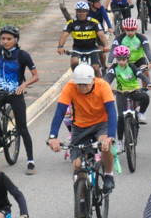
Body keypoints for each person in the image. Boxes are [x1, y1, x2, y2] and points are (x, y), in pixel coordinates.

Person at [47, 64, 118, 192]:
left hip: (101, 124)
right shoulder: (69, 87)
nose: (82, 87)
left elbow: (112, 112)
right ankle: (80, 196)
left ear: (93, 80)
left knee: (104, 144)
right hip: (80, 126)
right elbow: (60, 112)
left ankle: (108, 174)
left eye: (85, 84)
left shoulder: (103, 86)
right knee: (77, 165)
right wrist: (53, 136)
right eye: (79, 84)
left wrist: (110, 136)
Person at [0, 25, 39, 174]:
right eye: (3, 38)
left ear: (16, 40)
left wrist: (24, 84)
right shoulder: (0, 50)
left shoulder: (23, 55)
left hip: (15, 94)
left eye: (9, 39)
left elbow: (36, 76)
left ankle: (30, 161)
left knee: (22, 127)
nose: (5, 42)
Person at [105, 44, 151, 139]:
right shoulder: (114, 68)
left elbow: (141, 76)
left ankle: (141, 113)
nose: (121, 62)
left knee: (145, 97)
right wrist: (105, 87)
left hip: (134, 91)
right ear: (116, 59)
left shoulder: (132, 67)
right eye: (119, 60)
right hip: (121, 92)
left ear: (128, 59)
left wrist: (148, 83)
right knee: (121, 117)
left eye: (123, 60)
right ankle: (119, 140)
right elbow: (108, 79)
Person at [58, 0, 108, 76]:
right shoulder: (71, 23)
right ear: (76, 12)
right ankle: (77, 76)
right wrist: (60, 46)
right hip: (78, 48)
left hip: (92, 47)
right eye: (79, 11)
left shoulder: (94, 22)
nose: (81, 13)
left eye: (84, 11)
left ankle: (100, 86)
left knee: (96, 68)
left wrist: (106, 46)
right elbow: (64, 35)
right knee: (74, 62)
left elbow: (101, 35)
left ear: (87, 12)